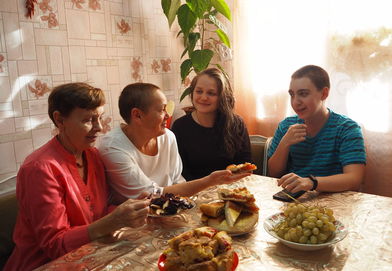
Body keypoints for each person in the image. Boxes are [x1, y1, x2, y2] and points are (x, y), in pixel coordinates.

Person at [4, 83, 150, 271]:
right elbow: (54, 245)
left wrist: (130, 209)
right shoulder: (40, 169)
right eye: (88, 120)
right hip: (44, 264)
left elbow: (97, 213)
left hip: (90, 255)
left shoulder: (92, 155)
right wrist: (113, 221)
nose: (98, 128)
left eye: (100, 118)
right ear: (60, 120)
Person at [98, 82, 250, 202]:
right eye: (162, 110)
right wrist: (209, 181)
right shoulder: (112, 147)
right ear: (137, 115)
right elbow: (149, 195)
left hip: (168, 210)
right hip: (132, 222)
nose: (167, 115)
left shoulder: (167, 136)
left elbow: (177, 180)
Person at [267, 65, 366, 193]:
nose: (295, 102)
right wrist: (284, 144)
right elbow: (272, 173)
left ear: (324, 93)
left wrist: (311, 182)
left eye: (303, 94)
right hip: (293, 201)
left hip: (334, 202)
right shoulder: (286, 126)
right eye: (292, 95)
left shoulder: (347, 128)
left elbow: (354, 179)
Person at [171, 68, 252, 180]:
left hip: (231, 189)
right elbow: (179, 172)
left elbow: (245, 165)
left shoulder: (237, 124)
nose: (203, 97)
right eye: (199, 91)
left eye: (211, 93)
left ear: (222, 97)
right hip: (194, 191)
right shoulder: (180, 126)